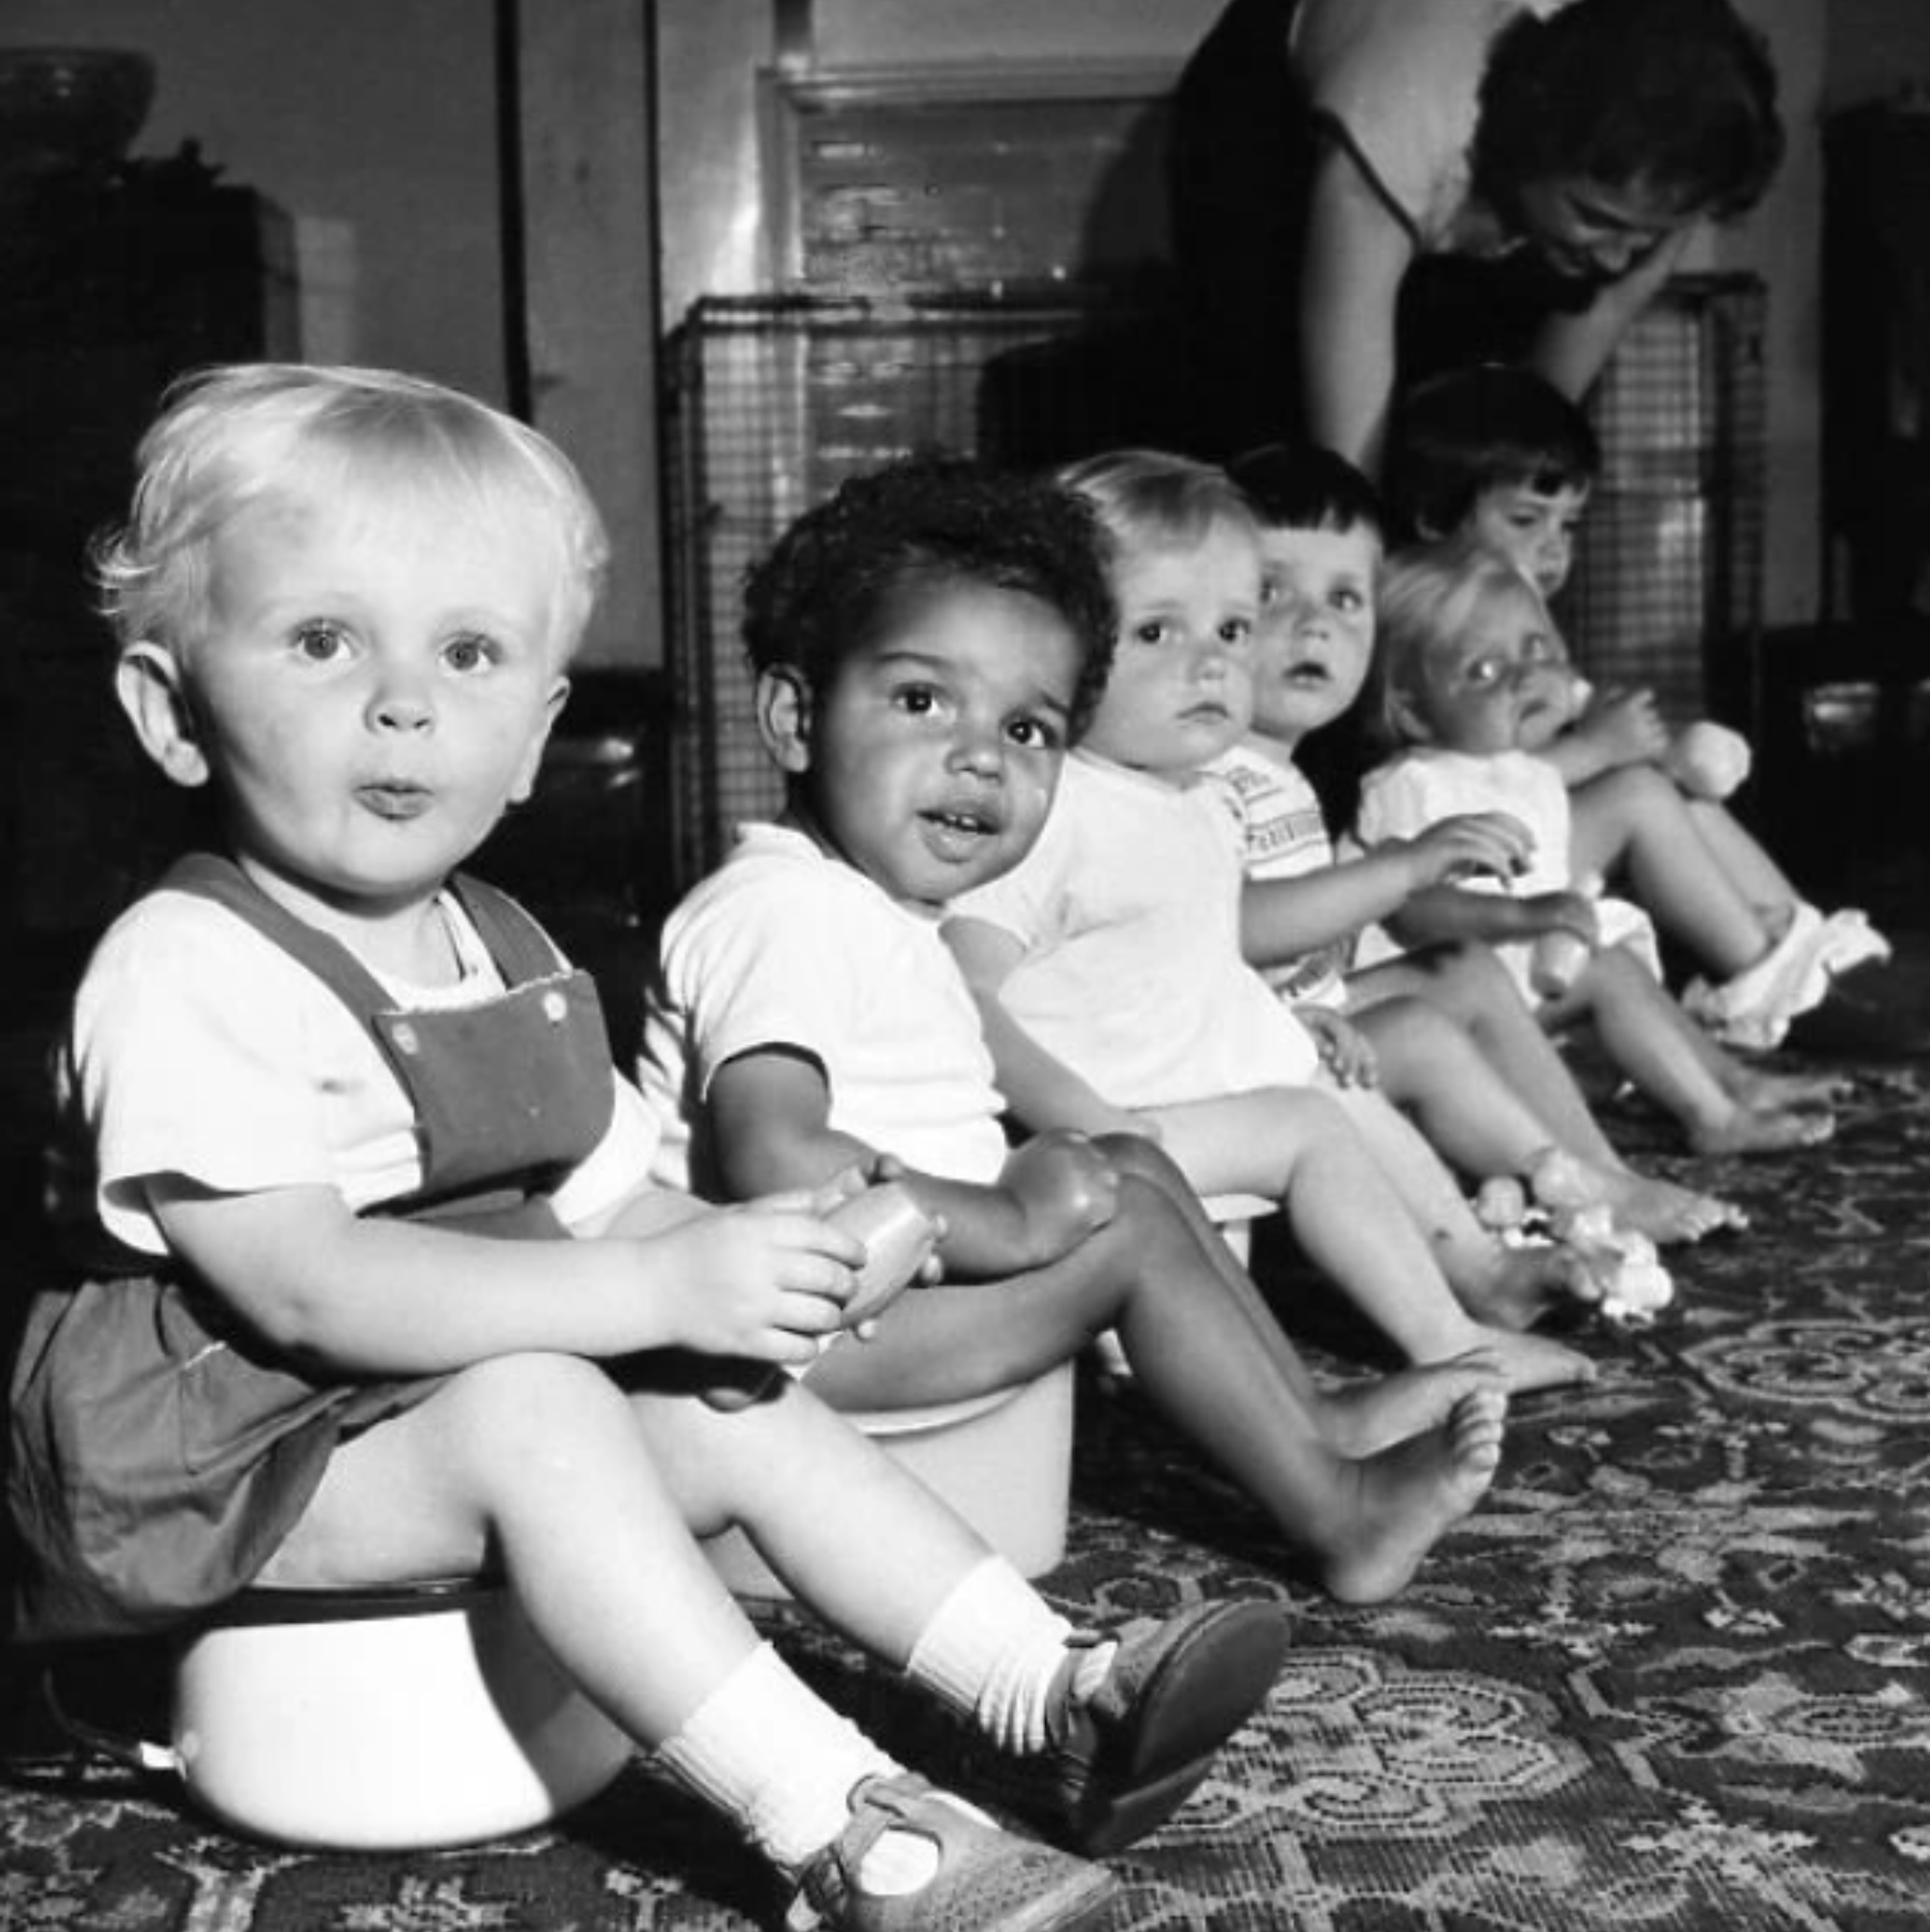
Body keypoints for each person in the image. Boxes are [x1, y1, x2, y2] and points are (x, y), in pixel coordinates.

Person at [5, 365, 1297, 1932]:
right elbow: (309, 1290)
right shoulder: (186, 963)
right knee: (551, 1403)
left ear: (539, 730)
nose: (402, 701)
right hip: (221, 1461)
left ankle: (1046, 1686)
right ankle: (842, 1832)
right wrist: (658, 1293)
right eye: (323, 640)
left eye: (468, 652)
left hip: (425, 1408)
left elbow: (614, 1189)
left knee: (719, 1388)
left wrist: (760, 1265)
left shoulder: (503, 944)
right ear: (171, 707)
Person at [638, 452, 1517, 1607]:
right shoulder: (783, 911)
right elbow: (776, 1158)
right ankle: (1337, 1512)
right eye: (920, 701)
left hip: (867, 1288)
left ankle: (1303, 1414)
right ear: (795, 717)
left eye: (1031, 729)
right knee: (1126, 1235)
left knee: (1133, 1167)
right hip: (776, 1341)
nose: (979, 756)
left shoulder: (877, 906)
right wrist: (1003, 1216)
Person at [937, 449, 1599, 1376]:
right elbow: (957, 989)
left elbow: (1204, 948)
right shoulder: (1054, 811)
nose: (1209, 662)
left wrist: (1288, 1019)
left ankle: (1448, 1296)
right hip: (1079, 1135)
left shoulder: (1197, 800)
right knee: (1307, 1131)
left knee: (1314, 1109)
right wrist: (1085, 1116)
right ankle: (1451, 1345)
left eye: (1234, 629)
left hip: (1168, 1109)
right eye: (1158, 633)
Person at [1217, 439, 1742, 1245]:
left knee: (1460, 973)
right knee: (1428, 1021)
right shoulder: (1208, 773)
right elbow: (1235, 933)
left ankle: (1602, 1171)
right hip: (1245, 1042)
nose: (1312, 623)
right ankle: (1554, 1183)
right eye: (1270, 593)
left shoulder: (1288, 773)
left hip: (1308, 1013)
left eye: (1346, 599)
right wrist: (1399, 871)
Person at [1383, 361, 1891, 1051]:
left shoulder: (1524, 625)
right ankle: (1768, 976)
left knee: (1669, 789)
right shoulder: (1425, 624)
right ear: (1436, 517)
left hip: (1538, 857)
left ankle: (1802, 944)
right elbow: (1462, 782)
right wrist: (1598, 751)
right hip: (1473, 890)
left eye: (1569, 524)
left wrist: (1665, 752)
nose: (1553, 547)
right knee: (1638, 795)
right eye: (1527, 520)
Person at [1356, 537, 1836, 1159]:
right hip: (1443, 993)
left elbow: (1565, 781)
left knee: (1616, 964)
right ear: (1414, 710)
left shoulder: (1512, 769)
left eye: (1538, 650)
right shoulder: (1413, 785)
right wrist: (1526, 917)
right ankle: (1712, 1115)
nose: (1527, 677)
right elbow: (1418, 910)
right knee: (1608, 973)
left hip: (1512, 973)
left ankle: (1734, 1079)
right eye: (1485, 671)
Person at [1167, 0, 1784, 476]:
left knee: (1462, 440)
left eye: (1645, 237)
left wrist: (1504, 500)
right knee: (1270, 433)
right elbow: (1347, 449)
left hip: (1493, 143)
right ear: (1533, 146)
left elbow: (1600, 314)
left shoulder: (1697, 114)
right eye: (1600, 220)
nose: (1618, 256)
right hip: (1262, 116)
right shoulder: (1419, 97)